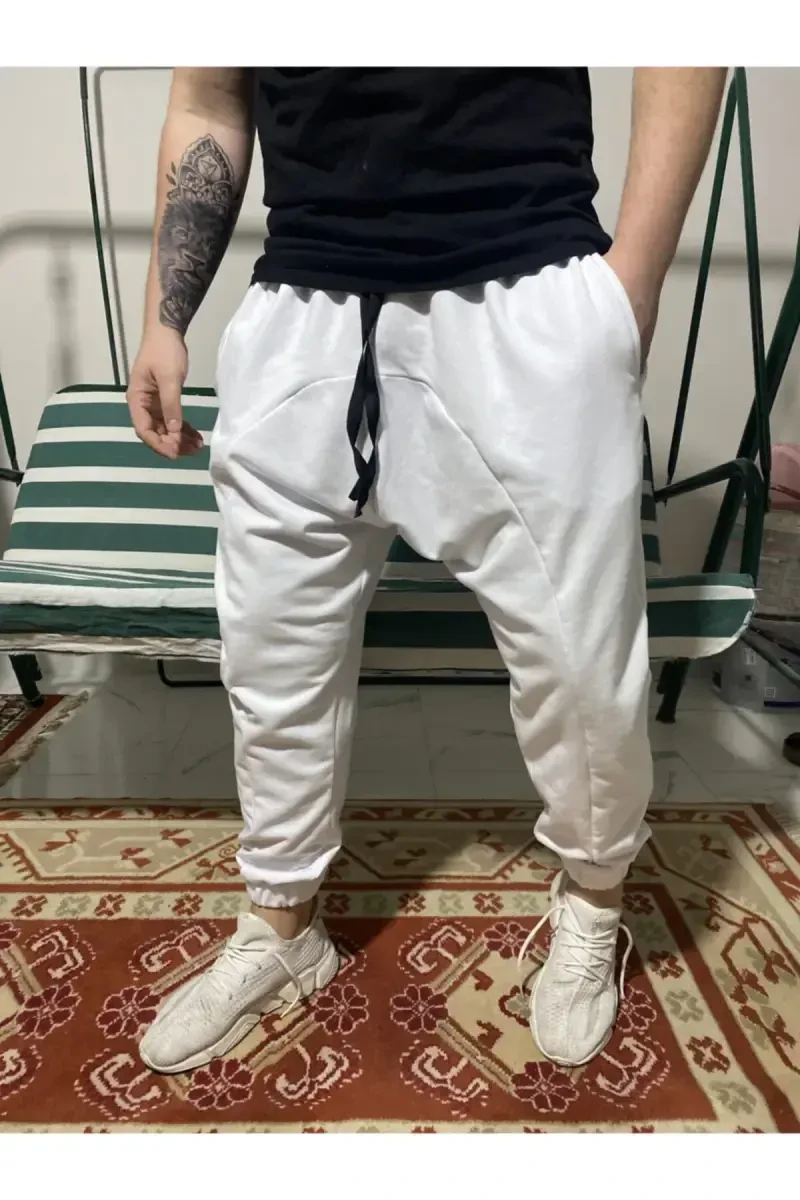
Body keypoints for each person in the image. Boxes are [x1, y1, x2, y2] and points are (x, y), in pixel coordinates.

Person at [128, 67, 727, 1075]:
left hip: (523, 288)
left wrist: (629, 286)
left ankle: (592, 904)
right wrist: (164, 314)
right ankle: (280, 925)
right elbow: (210, 97)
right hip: (301, 305)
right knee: (272, 657)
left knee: (582, 667)